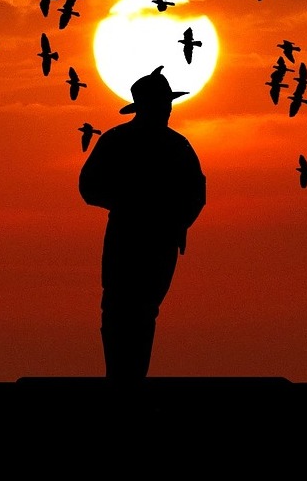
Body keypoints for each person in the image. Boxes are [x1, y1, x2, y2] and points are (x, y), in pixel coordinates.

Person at [79, 65, 207, 382]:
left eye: (168, 103)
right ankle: (122, 379)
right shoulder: (162, 145)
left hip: (155, 238)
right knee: (122, 309)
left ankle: (129, 379)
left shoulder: (172, 146)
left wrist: (178, 222)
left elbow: (196, 194)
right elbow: (88, 187)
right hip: (131, 237)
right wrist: (133, 204)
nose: (167, 109)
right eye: (163, 104)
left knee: (137, 310)